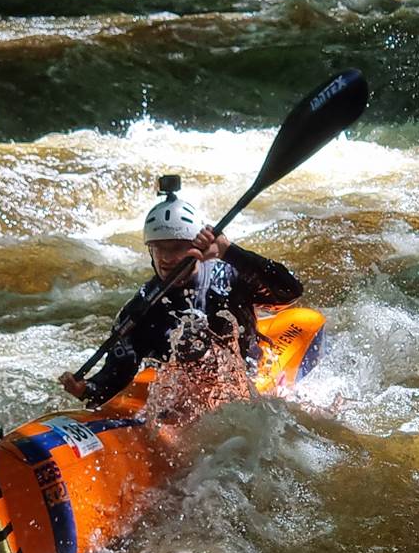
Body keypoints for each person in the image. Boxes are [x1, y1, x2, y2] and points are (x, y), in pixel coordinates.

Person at [59, 175, 303, 408]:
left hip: (247, 378)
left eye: (176, 248)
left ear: (195, 247)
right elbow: (116, 375)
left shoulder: (228, 276)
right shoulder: (141, 308)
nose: (166, 258)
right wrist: (87, 389)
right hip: (187, 396)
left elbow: (290, 291)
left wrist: (228, 251)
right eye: (158, 248)